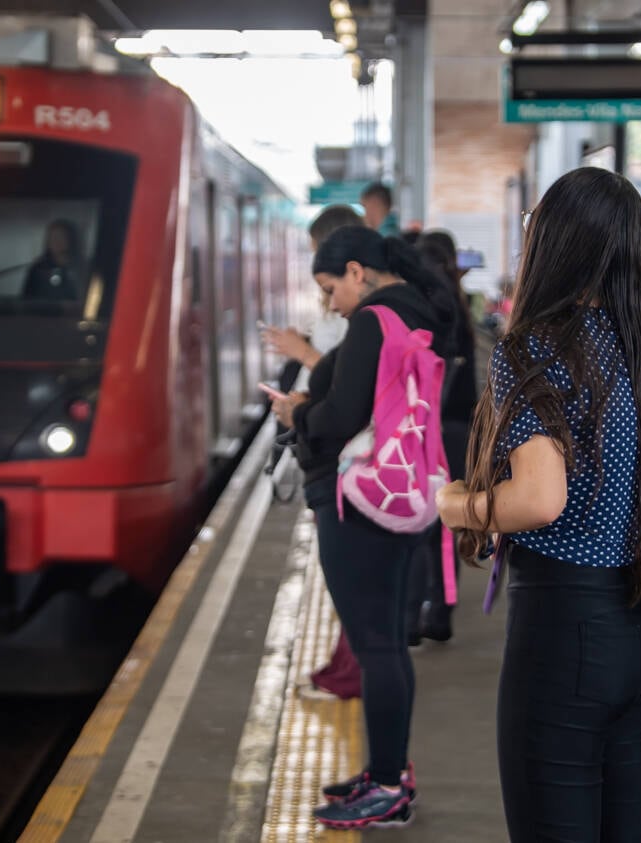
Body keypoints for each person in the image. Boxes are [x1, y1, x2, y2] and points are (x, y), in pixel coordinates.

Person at [436, 167, 641, 842]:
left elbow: (537, 499)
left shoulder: (533, 346)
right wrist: (611, 511)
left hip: (566, 633)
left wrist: (455, 504)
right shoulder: (639, 347)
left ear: (553, 243)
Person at [272, 225, 456, 829]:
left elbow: (343, 413)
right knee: (386, 645)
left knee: (376, 646)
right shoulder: (418, 314)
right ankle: (387, 772)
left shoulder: (375, 319)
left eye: (330, 288)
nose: (330, 303)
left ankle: (387, 787)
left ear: (357, 271)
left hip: (360, 502)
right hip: (403, 493)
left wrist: (299, 412)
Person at [261, 204, 363, 703]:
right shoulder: (352, 310)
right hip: (326, 444)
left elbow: (351, 383)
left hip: (342, 452)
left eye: (328, 286)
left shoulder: (363, 314)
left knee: (349, 571)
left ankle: (352, 669)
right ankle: (346, 663)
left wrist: (302, 357)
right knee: (342, 570)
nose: (330, 299)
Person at [404, 229, 481, 644]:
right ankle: (441, 611)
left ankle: (417, 614)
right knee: (445, 524)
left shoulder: (430, 309)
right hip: (459, 431)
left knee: (421, 525)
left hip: (432, 431)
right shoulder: (461, 305)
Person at [22, 220, 83, 302]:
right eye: (53, 237)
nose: (56, 241)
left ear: (70, 239)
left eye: (61, 237)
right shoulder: (38, 269)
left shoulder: (81, 269)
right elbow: (26, 300)